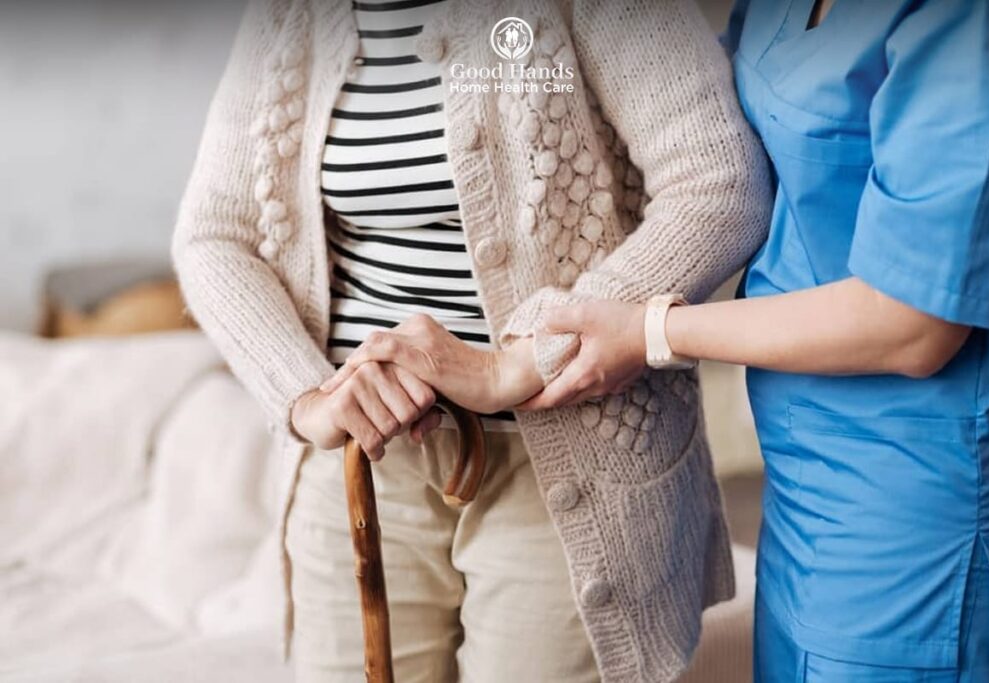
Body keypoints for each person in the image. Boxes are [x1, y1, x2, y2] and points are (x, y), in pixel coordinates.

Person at [388, 0, 989, 680]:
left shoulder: (971, 18)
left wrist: (650, 330)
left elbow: (912, 323)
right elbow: (697, 131)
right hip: (806, 477)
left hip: (925, 492)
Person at [172, 0, 771, 680]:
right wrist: (305, 395)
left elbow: (720, 182)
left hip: (568, 456)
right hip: (363, 468)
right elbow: (216, 235)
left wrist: (524, 358)